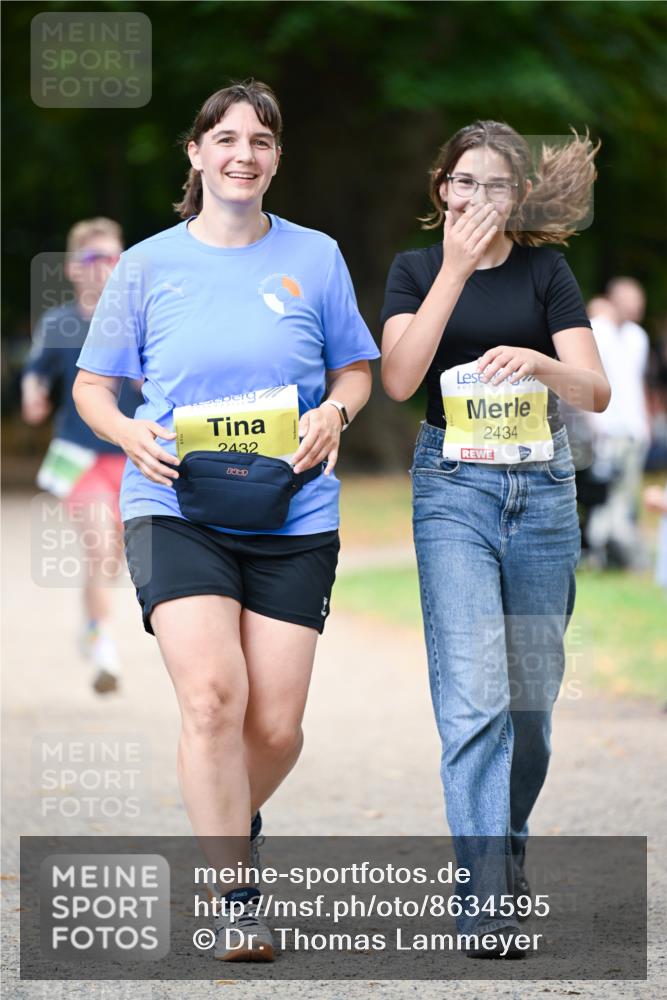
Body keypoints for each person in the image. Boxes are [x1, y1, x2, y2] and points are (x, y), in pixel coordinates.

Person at [73, 80, 378, 961]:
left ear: (277, 158)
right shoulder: (149, 265)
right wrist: (128, 431)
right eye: (227, 138)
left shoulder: (315, 257)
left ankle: (227, 819)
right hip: (173, 503)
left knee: (275, 729)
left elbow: (355, 369)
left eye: (261, 141)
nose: (243, 153)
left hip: (294, 510)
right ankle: (234, 895)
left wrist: (336, 413)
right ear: (197, 153)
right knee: (212, 700)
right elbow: (94, 386)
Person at [381, 121, 610, 958]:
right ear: (443, 189)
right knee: (475, 697)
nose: (480, 198)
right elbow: (400, 379)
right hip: (452, 491)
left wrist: (539, 363)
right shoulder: (413, 270)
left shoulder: (546, 271)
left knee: (530, 711)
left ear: (520, 195)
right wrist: (450, 269)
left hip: (541, 492)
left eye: (497, 185)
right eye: (465, 182)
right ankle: (484, 901)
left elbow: (594, 391)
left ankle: (503, 854)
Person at [22, 217, 143, 694]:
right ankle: (103, 642)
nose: (106, 267)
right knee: (101, 543)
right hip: (77, 458)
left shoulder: (141, 320)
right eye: (95, 259)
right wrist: (33, 395)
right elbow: (35, 372)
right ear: (74, 268)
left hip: (133, 455)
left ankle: (93, 624)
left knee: (112, 552)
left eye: (116, 257)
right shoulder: (59, 323)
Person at [586, 278, 651, 568]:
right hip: (606, 427)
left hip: (633, 428)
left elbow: (636, 383)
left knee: (626, 494)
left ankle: (618, 550)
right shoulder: (597, 331)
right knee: (604, 491)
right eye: (630, 299)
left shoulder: (638, 337)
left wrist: (644, 422)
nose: (637, 306)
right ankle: (599, 550)